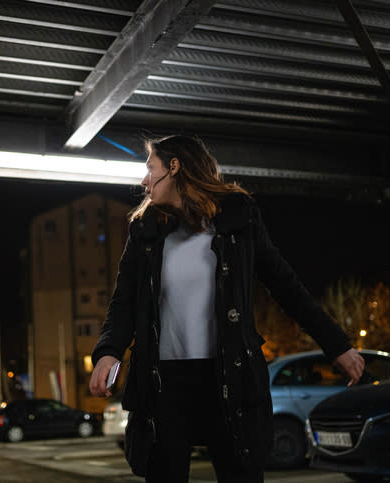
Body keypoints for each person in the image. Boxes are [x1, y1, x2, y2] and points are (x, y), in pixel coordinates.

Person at [89, 135, 365, 482]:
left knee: (240, 474)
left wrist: (336, 345)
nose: (144, 180)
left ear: (174, 167)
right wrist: (108, 352)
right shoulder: (145, 231)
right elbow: (124, 301)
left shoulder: (239, 221)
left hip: (230, 377)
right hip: (164, 384)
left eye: (150, 168)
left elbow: (286, 287)